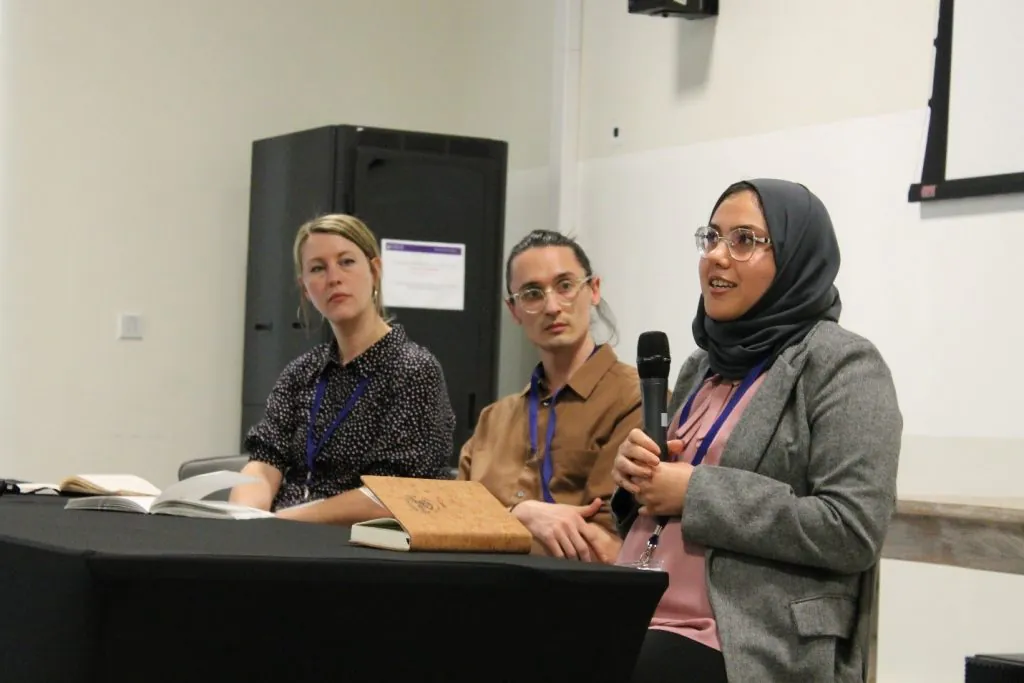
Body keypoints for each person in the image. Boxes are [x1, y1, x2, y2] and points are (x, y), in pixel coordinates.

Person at [611, 179, 902, 682]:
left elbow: (852, 528)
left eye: (744, 240)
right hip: (636, 610)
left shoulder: (843, 364)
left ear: (794, 258)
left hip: (744, 636)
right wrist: (635, 481)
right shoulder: (701, 365)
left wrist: (696, 491)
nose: (718, 257)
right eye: (712, 238)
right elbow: (667, 498)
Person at [229, 214, 456, 523]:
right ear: (306, 289)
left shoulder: (413, 370)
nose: (333, 277)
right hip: (280, 539)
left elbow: (392, 495)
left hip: (357, 547)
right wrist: (241, 520)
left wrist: (283, 523)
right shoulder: (302, 372)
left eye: (346, 262)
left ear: (375, 271)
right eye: (318, 268)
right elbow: (265, 461)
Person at [457, 230, 642, 564]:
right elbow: (452, 525)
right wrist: (520, 514)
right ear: (513, 310)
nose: (552, 306)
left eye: (566, 286)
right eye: (531, 293)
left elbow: (608, 546)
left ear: (594, 289)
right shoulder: (492, 419)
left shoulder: (635, 398)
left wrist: (496, 521)